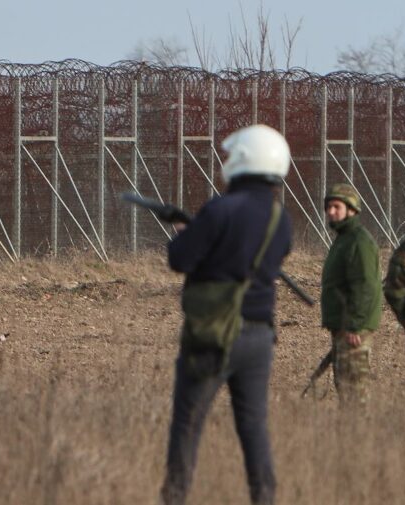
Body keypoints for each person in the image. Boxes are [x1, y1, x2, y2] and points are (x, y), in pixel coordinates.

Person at [160, 125, 293, 505]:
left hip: (215, 333)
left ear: (244, 159)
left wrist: (189, 233)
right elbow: (264, 258)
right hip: (259, 336)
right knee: (253, 427)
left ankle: (174, 497)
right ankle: (263, 498)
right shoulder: (278, 217)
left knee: (188, 423)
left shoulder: (220, 208)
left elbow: (180, 259)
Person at [321, 182, 382, 407]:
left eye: (337, 207)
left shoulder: (359, 241)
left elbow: (366, 286)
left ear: (352, 210)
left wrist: (355, 325)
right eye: (329, 207)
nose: (331, 212)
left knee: (355, 394)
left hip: (353, 332)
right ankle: (349, 438)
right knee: (345, 390)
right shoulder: (344, 239)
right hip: (343, 329)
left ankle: (360, 439)